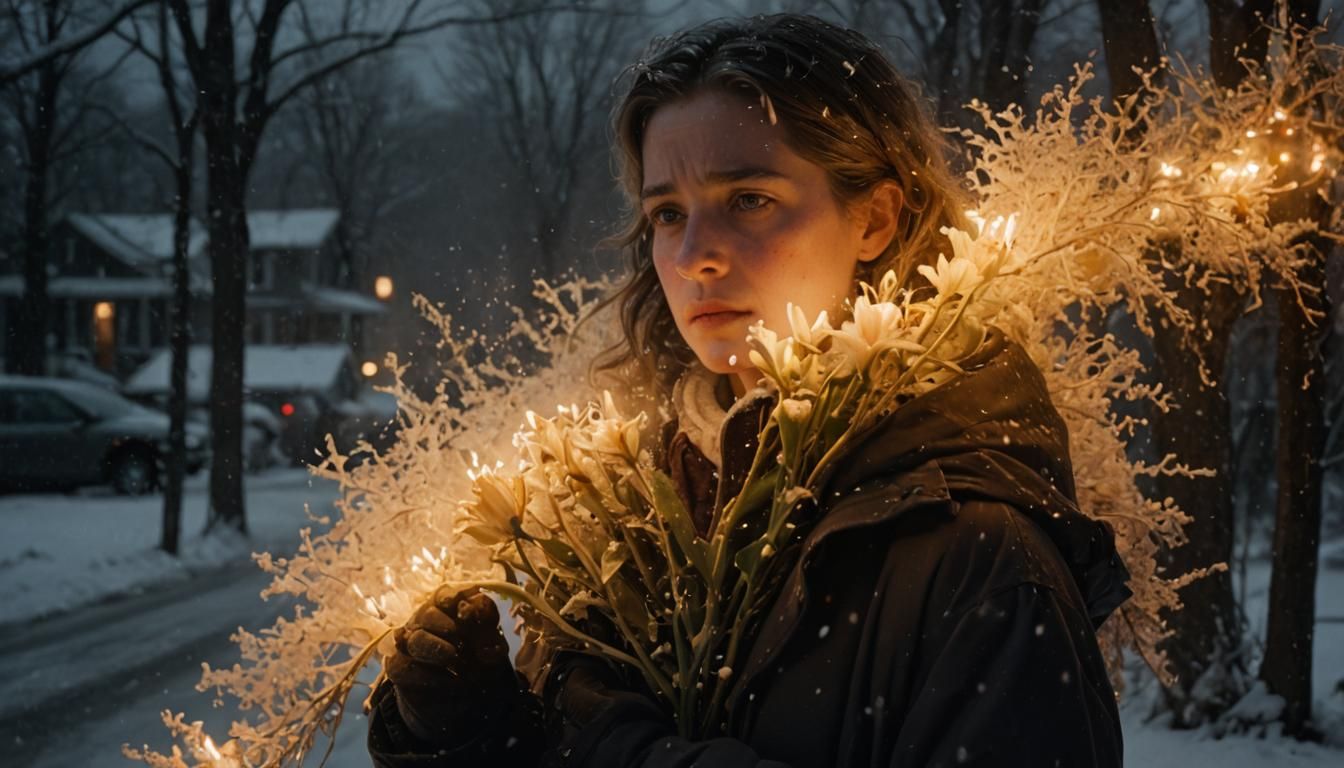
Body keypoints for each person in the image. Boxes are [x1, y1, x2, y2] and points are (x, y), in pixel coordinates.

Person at [368, 13, 1131, 768]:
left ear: (874, 219)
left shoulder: (980, 561)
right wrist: (472, 733)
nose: (693, 255)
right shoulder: (608, 532)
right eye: (668, 213)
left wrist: (615, 747)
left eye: (748, 199)